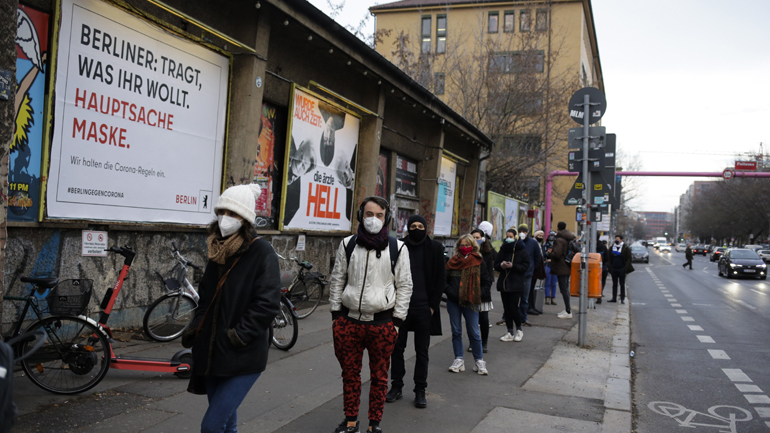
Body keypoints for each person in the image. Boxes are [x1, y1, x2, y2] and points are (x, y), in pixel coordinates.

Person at [182, 184, 282, 433]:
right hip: (212, 352)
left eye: (234, 213)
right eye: (222, 211)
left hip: (243, 353)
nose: (226, 218)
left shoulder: (262, 251)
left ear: (246, 219)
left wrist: (238, 336)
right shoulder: (217, 250)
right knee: (227, 425)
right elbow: (205, 297)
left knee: (212, 425)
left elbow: (267, 303)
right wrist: (196, 329)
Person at [329, 197, 413, 433]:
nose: (373, 219)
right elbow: (337, 280)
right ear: (360, 216)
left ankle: (374, 424)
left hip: (382, 324)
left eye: (378, 215)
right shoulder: (348, 244)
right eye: (368, 214)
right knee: (350, 375)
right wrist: (336, 316)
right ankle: (351, 421)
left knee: (379, 377)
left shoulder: (398, 247)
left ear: (386, 218)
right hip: (348, 322)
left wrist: (396, 322)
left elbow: (405, 286)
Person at [386, 215, 445, 409]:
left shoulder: (435, 248)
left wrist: (432, 306)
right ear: (408, 228)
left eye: (420, 226)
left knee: (422, 351)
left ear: (426, 228)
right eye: (413, 226)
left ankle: (420, 389)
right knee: (397, 349)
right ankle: (397, 386)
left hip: (423, 308)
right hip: (400, 307)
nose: (417, 229)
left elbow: (440, 279)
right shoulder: (399, 246)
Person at [445, 234, 492, 375]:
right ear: (458, 246)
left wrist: (477, 294)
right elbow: (444, 281)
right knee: (456, 331)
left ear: (473, 246)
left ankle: (479, 361)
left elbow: (486, 282)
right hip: (453, 301)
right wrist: (451, 292)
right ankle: (458, 359)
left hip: (471, 302)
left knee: (474, 332)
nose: (464, 247)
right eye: (462, 245)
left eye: (467, 245)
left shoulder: (479, 262)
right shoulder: (452, 262)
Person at [494, 229, 530, 342]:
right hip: (504, 283)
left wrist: (513, 266)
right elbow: (496, 264)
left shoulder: (521, 250)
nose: (509, 238)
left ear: (515, 237)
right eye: (507, 236)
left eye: (511, 236)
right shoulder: (503, 249)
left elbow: (525, 266)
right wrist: (501, 265)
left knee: (513, 307)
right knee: (506, 308)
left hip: (516, 283)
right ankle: (509, 331)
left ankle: (519, 329)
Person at [470, 227, 496, 352]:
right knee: (471, 319)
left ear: (483, 239)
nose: (475, 240)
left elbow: (490, 274)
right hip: (470, 290)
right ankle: (473, 342)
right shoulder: (466, 252)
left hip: (483, 290)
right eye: (473, 237)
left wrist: (485, 289)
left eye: (478, 238)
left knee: (483, 318)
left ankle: (484, 342)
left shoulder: (487, 253)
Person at [516, 224, 542, 326]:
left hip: (527, 274)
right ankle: (509, 317)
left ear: (528, 232)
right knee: (513, 298)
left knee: (524, 298)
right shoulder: (516, 241)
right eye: (520, 231)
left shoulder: (533, 243)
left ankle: (523, 317)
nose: (522, 233)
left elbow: (537, 257)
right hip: (516, 273)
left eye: (524, 231)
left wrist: (532, 268)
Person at [550, 222, 576, 319]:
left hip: (561, 266)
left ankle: (568, 311)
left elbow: (556, 254)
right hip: (567, 265)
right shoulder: (569, 238)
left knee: (564, 289)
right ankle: (567, 309)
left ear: (558, 228)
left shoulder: (560, 239)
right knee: (565, 288)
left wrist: (550, 253)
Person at [608, 235, 634, 304]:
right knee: (614, 284)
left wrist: (625, 268)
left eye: (617, 239)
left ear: (621, 240)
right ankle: (614, 298)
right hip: (614, 268)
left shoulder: (625, 248)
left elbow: (629, 258)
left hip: (622, 268)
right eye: (615, 239)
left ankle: (622, 298)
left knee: (622, 284)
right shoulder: (612, 248)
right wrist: (610, 267)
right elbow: (609, 257)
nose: (616, 240)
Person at [527, 230, 546, 315]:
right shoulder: (534, 243)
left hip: (536, 269)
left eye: (542, 236)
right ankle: (529, 306)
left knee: (532, 288)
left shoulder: (538, 244)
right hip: (533, 269)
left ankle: (532, 306)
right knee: (530, 289)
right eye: (539, 235)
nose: (541, 237)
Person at [543, 231, 559, 305]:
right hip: (547, 265)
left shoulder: (557, 246)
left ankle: (553, 297)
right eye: (550, 238)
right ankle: (547, 297)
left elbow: (558, 256)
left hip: (555, 266)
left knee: (554, 283)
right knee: (547, 282)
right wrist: (548, 253)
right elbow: (543, 256)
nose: (552, 240)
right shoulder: (545, 246)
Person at [596, 238, 609, 304]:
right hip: (603, 266)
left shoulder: (590, 245)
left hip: (593, 266)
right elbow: (607, 257)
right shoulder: (603, 246)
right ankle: (599, 294)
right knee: (602, 281)